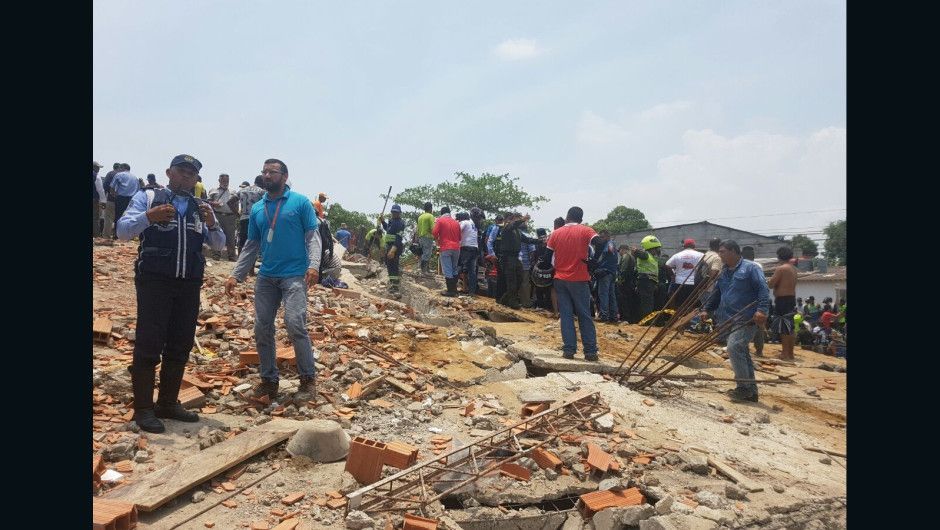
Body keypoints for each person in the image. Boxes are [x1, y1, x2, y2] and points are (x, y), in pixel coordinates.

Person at [116, 154, 226, 433]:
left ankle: (167, 403)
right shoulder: (148, 197)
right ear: (169, 172)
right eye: (181, 171)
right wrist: (148, 217)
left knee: (180, 343)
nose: (187, 176)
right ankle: (143, 409)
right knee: (149, 342)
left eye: (192, 173)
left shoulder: (201, 207)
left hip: (189, 283)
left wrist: (212, 223)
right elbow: (122, 231)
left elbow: (219, 245)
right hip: (155, 281)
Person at [224, 158, 321, 404]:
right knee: (261, 327)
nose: (267, 176)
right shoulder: (258, 208)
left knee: (295, 323)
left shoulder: (300, 202)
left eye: (273, 172)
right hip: (266, 276)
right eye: (264, 172)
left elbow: (312, 236)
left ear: (285, 176)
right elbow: (251, 244)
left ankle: (308, 381)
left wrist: (313, 265)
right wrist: (236, 274)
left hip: (294, 274)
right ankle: (269, 381)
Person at [700, 240, 770, 403]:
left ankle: (743, 388)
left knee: (734, 347)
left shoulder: (750, 268)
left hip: (746, 317)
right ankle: (751, 391)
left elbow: (763, 289)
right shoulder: (724, 271)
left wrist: (762, 310)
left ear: (733, 251)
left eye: (722, 251)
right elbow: (717, 293)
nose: (720, 255)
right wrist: (706, 309)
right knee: (741, 351)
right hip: (728, 318)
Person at [544, 207, 605, 360]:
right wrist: (593, 260)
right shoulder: (586, 230)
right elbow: (600, 243)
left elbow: (546, 258)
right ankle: (590, 352)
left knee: (566, 315)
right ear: (581, 219)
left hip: (560, 279)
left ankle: (569, 350)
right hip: (579, 279)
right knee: (584, 314)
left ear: (567, 217)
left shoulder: (555, 233)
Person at [495, 213, 538, 309]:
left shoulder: (518, 231)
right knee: (512, 281)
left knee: (520, 278)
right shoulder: (507, 227)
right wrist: (522, 219)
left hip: (515, 257)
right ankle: (512, 302)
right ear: (512, 219)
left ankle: (505, 298)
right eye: (517, 219)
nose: (520, 221)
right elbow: (513, 225)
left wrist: (540, 241)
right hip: (507, 257)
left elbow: (528, 240)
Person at [767, 246, 798, 361]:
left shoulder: (781, 269)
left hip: (783, 300)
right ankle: (790, 353)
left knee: (784, 326)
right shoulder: (793, 268)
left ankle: (785, 353)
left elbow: (771, 284)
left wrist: (768, 280)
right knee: (790, 327)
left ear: (779, 256)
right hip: (791, 298)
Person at [741, 246, 766, 356]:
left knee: (743, 324)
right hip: (757, 299)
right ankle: (759, 350)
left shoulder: (741, 266)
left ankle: (744, 349)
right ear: (753, 256)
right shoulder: (758, 266)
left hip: (745, 300)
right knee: (758, 325)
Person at [207, 173, 239, 261]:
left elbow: (236, 204)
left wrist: (236, 215)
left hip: (230, 217)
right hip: (218, 215)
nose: (225, 182)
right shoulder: (213, 190)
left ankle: (231, 256)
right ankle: (216, 256)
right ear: (219, 181)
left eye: (227, 181)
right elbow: (207, 202)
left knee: (231, 237)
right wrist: (214, 203)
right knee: (217, 235)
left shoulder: (233, 191)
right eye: (223, 181)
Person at [665, 239, 703, 309]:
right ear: (694, 246)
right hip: (693, 283)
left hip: (679, 282)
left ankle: (678, 314)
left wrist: (672, 275)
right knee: (691, 303)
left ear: (684, 246)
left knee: (680, 303)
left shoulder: (677, 255)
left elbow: (667, 265)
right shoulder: (700, 255)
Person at [232, 176, 265, 255]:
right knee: (255, 241)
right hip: (256, 220)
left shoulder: (242, 190)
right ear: (262, 183)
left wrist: (238, 215)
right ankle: (253, 261)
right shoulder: (262, 192)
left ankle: (240, 260)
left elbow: (230, 202)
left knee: (242, 241)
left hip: (243, 219)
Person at [433, 206, 461, 296]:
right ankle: (455, 290)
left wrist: (437, 241)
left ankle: (450, 290)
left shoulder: (440, 220)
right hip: (456, 248)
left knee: (447, 268)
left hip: (445, 247)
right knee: (454, 268)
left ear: (441, 213)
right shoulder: (456, 222)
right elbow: (460, 237)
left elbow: (434, 232)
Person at [633, 236, 663, 321]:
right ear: (651, 247)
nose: (658, 250)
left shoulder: (652, 257)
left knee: (648, 302)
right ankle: (646, 321)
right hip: (645, 281)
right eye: (656, 248)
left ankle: (646, 320)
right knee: (647, 303)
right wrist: (635, 250)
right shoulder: (646, 255)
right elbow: (639, 253)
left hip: (650, 282)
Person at [380, 205, 406, 297]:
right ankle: (392, 283)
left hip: (395, 247)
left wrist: (393, 250)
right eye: (393, 212)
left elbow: (399, 237)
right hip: (389, 246)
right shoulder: (392, 222)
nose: (394, 213)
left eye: (396, 212)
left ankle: (395, 286)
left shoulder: (400, 223)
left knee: (393, 266)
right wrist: (382, 221)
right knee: (389, 266)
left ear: (399, 213)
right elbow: (387, 229)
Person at [595, 230, 619, 323]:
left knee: (603, 294)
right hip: (612, 273)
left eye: (602, 237)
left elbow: (609, 250)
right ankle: (614, 316)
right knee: (611, 295)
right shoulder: (611, 243)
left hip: (605, 272)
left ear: (607, 236)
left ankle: (604, 315)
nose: (601, 239)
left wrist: (597, 263)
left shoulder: (609, 243)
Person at [110, 163, 140, 239]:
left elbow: (112, 187)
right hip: (132, 200)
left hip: (121, 198)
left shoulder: (119, 175)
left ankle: (116, 235)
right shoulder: (135, 178)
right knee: (130, 217)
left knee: (118, 216)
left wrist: (114, 195)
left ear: (123, 168)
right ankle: (129, 236)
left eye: (120, 168)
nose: (119, 169)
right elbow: (138, 190)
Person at [456, 212, 480, 295]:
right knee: (472, 271)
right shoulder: (473, 224)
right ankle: (472, 292)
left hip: (466, 248)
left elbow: (457, 230)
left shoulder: (464, 222)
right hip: (475, 248)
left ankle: (452, 287)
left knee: (459, 266)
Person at [484, 215, 505, 299]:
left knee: (495, 273)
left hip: (496, 253)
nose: (500, 221)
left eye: (501, 220)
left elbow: (487, 240)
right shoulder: (493, 227)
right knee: (492, 272)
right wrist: (489, 252)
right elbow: (488, 239)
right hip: (494, 252)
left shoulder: (502, 227)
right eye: (499, 220)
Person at [616, 244, 638, 323]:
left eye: (619, 251)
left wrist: (620, 281)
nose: (619, 253)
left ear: (622, 249)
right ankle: (629, 318)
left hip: (625, 283)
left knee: (624, 300)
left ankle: (625, 318)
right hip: (630, 282)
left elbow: (623, 270)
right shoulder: (632, 257)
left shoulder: (626, 256)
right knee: (629, 300)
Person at [517, 224, 538, 308]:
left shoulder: (516, 235)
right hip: (525, 263)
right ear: (526, 228)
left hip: (515, 262)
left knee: (515, 282)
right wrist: (532, 262)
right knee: (525, 283)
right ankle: (526, 302)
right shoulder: (528, 236)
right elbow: (532, 251)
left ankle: (516, 300)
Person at [417, 202, 436, 274]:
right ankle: (424, 270)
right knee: (427, 253)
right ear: (431, 208)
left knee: (424, 253)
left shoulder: (420, 217)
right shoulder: (430, 216)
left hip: (421, 237)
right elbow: (433, 228)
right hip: (428, 237)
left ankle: (427, 269)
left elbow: (418, 228)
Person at [93, 162, 106, 237]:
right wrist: (103, 201)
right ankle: (96, 235)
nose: (99, 169)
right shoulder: (96, 176)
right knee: (95, 218)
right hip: (94, 199)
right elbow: (100, 190)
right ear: (94, 167)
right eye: (98, 167)